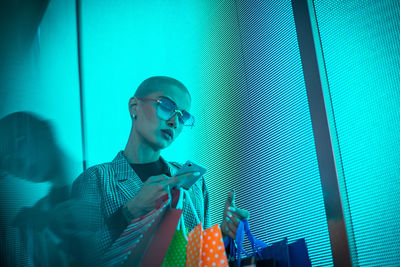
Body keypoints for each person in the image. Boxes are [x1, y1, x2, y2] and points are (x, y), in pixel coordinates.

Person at [70, 76, 249, 265]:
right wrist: (129, 213)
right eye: (166, 106)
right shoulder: (96, 179)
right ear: (134, 106)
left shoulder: (193, 182)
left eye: (183, 116)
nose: (174, 122)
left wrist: (225, 235)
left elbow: (198, 257)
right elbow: (82, 257)